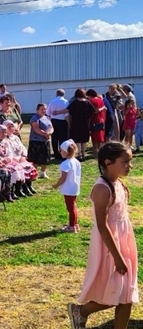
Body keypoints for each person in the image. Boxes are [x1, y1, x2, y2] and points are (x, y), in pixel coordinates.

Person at [67, 142, 138, 329]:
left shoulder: (118, 183)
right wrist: (117, 257)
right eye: (125, 162)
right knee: (116, 292)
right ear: (108, 162)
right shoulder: (102, 188)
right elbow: (102, 225)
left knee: (127, 295)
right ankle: (80, 311)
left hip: (123, 240)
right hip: (110, 246)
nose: (129, 166)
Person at [52, 140, 81, 233]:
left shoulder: (65, 164)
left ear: (67, 152)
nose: (60, 152)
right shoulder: (76, 161)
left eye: (61, 150)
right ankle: (75, 224)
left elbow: (63, 177)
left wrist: (56, 185)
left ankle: (72, 227)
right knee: (73, 206)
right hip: (74, 187)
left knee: (70, 208)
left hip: (68, 189)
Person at [28, 103, 54, 179]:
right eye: (42, 109)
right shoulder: (34, 118)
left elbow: (51, 127)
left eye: (45, 109)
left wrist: (50, 132)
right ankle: (34, 173)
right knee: (35, 158)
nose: (44, 110)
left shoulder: (47, 117)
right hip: (36, 141)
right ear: (37, 110)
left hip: (45, 141)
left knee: (45, 157)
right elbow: (36, 128)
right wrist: (44, 134)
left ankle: (43, 172)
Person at [46, 89, 69, 160]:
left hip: (54, 121)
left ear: (56, 94)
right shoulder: (66, 102)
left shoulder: (52, 102)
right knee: (63, 138)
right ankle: (63, 153)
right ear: (63, 94)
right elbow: (67, 113)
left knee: (54, 138)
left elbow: (48, 113)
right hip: (62, 121)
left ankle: (56, 153)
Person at [86, 89, 107, 158]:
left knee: (94, 138)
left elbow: (90, 113)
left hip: (94, 121)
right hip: (101, 120)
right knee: (101, 137)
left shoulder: (91, 101)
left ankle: (95, 152)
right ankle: (100, 151)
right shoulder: (100, 100)